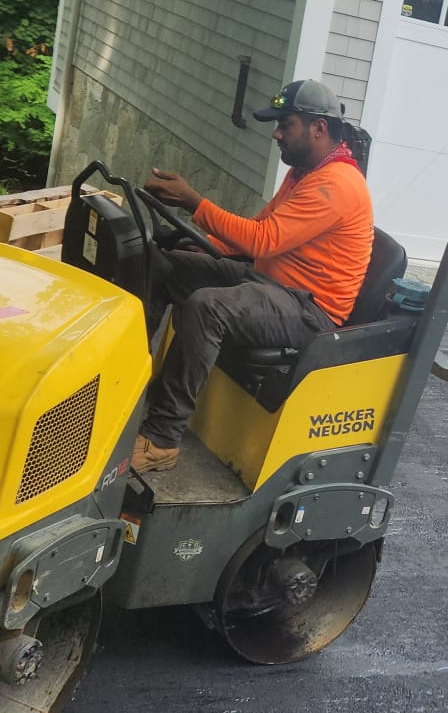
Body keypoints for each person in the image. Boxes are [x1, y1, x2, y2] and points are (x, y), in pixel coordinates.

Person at [130, 78, 374, 474]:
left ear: (319, 128)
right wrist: (204, 245)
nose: (276, 134)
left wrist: (194, 203)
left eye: (285, 124)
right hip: (268, 283)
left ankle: (161, 439)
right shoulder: (303, 173)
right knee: (160, 265)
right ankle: (124, 390)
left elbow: (263, 240)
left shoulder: (337, 184)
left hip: (308, 309)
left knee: (208, 307)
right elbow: (261, 228)